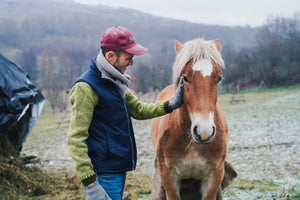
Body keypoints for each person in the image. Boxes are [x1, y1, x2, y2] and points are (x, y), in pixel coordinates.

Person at [67, 26, 183, 200]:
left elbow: (138, 109)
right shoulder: (86, 88)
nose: (131, 63)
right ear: (111, 56)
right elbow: (75, 139)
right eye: (128, 58)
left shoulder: (115, 82)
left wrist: (171, 104)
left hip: (117, 169)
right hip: (103, 174)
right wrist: (90, 183)